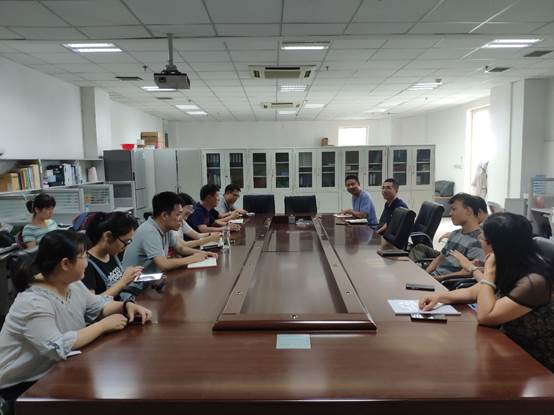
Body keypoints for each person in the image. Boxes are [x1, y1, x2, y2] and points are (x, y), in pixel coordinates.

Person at [0, 230, 152, 403]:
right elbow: (57, 346)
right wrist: (102, 326)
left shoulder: (72, 284)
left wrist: (125, 306)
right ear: (65, 264)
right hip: (21, 385)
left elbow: (98, 305)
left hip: (55, 369)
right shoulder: (33, 301)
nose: (87, 262)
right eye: (84, 256)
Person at [419, 213, 554, 372]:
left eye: (482, 238)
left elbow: (486, 317)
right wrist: (439, 297)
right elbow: (473, 292)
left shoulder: (534, 282)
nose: (479, 240)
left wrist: (488, 271)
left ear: (496, 245)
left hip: (533, 361)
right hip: (506, 344)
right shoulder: (511, 263)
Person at [122, 191, 216, 274]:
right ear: (164, 215)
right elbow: (164, 264)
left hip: (153, 280)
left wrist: (203, 253)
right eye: (178, 215)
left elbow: (180, 249)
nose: (181, 219)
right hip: (136, 285)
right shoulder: (149, 231)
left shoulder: (166, 228)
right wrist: (192, 258)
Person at [424, 193, 484, 281]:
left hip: (447, 283)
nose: (450, 213)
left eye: (454, 209)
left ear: (468, 211)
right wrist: (425, 275)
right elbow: (439, 259)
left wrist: (440, 278)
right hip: (435, 277)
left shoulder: (480, 240)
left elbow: (469, 272)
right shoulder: (454, 234)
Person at [83, 212, 143, 299]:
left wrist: (130, 276)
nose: (125, 247)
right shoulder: (86, 265)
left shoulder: (112, 253)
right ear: (108, 236)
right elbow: (92, 304)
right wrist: (123, 281)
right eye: (125, 242)